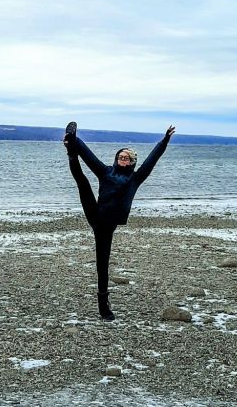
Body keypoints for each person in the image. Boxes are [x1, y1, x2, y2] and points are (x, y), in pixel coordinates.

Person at [63, 122, 176, 320]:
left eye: (126, 158)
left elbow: (152, 159)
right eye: (120, 157)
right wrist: (76, 141)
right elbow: (89, 156)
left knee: (102, 264)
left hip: (107, 225)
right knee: (82, 181)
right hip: (95, 214)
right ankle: (71, 145)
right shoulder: (106, 172)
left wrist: (165, 140)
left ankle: (103, 304)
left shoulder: (135, 178)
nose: (122, 159)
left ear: (132, 162)